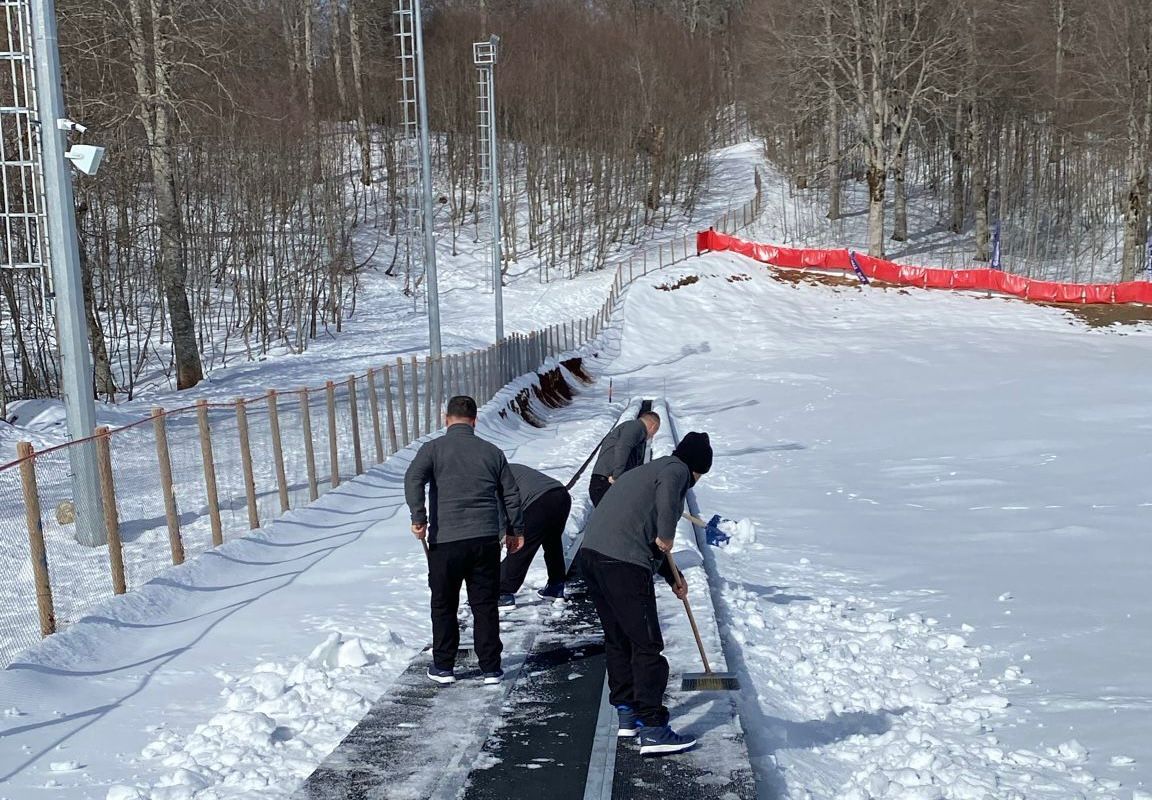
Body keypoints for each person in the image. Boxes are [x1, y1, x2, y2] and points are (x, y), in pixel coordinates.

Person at [577, 431, 713, 756]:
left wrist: (673, 576)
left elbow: (652, 541)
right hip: (622, 562)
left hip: (592, 557)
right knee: (647, 644)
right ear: (695, 466)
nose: (693, 481)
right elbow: (664, 517)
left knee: (618, 639)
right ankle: (653, 727)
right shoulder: (676, 469)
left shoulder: (644, 473)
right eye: (698, 475)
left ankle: (627, 713)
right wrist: (668, 532)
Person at [404, 395, 525, 686]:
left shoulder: (433, 449)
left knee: (444, 603)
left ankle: (444, 666)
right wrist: (515, 530)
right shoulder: (492, 452)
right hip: (485, 539)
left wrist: (419, 518)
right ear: (474, 421)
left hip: (446, 540)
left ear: (446, 420)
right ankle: (491, 668)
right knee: (484, 604)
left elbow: (413, 479)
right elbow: (511, 493)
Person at [497, 464, 572, 608]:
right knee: (552, 543)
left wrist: (503, 534)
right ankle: (556, 587)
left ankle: (503, 592)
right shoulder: (509, 468)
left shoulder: (491, 478)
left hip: (539, 502)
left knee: (520, 548)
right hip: (561, 495)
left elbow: (500, 508)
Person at [588, 411, 660, 507]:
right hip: (605, 482)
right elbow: (623, 447)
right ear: (653, 426)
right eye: (656, 431)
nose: (653, 435)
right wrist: (616, 476)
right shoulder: (636, 427)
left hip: (604, 482)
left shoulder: (632, 429)